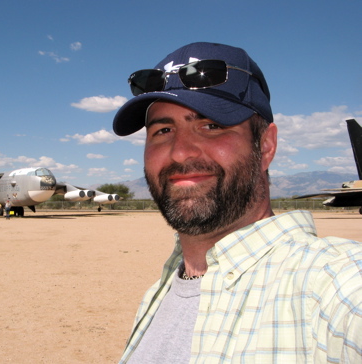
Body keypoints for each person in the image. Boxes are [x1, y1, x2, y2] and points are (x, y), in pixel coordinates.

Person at [112, 42, 362, 363]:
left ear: (266, 146)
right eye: (163, 130)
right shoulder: (159, 293)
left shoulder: (332, 284)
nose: (180, 152)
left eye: (211, 126)